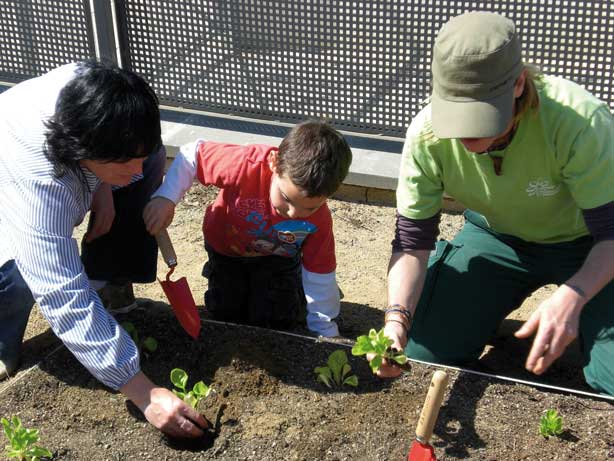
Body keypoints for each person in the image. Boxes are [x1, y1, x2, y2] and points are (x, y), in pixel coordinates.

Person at [379, 11, 614, 396]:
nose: (466, 137)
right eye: (457, 117)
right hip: (498, 238)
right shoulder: (426, 134)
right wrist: (396, 319)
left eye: (482, 118)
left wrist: (574, 295)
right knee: (423, 352)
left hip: (588, 245)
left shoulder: (579, 121)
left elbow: (612, 234)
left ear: (519, 83)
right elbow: (412, 242)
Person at [0, 60, 208, 437]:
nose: (138, 169)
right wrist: (144, 392)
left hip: (56, 145)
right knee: (17, 274)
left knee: (148, 162)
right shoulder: (39, 185)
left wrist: (105, 188)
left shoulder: (95, 88)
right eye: (124, 161)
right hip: (7, 171)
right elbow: (62, 294)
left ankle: (110, 280)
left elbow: (122, 154)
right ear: (83, 153)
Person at [143, 121, 352, 337]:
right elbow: (192, 155)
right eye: (286, 199)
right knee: (226, 313)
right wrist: (166, 197)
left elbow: (320, 271)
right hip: (226, 251)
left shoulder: (319, 221)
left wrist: (324, 326)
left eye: (309, 207)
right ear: (274, 164)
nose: (292, 213)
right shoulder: (245, 165)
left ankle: (293, 284)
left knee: (275, 319)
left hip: (278, 258)